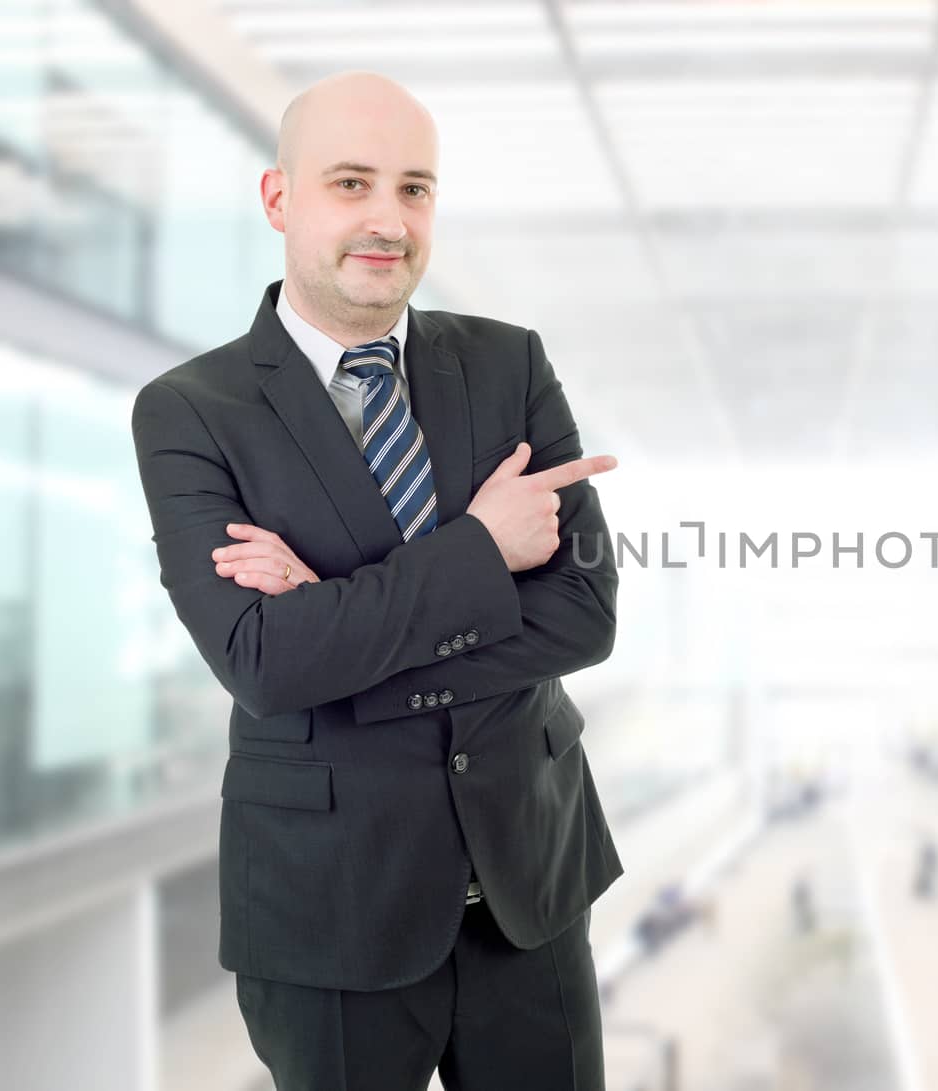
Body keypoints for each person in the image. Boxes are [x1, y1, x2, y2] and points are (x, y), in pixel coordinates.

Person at [129, 70, 624, 1091]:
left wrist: (338, 627)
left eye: (415, 188)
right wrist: (482, 548)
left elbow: (584, 614)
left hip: (529, 894)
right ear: (279, 199)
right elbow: (263, 661)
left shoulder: (509, 365)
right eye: (351, 183)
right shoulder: (191, 411)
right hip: (330, 916)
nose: (387, 220)